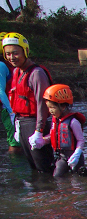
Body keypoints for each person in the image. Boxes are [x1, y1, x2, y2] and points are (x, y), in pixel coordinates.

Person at [2, 33, 54, 173]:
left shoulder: (36, 73)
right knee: (33, 168)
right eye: (7, 54)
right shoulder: (17, 71)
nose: (11, 57)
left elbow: (42, 104)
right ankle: (38, 194)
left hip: (35, 124)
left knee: (44, 168)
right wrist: (17, 126)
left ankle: (55, 193)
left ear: (25, 51)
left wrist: (39, 131)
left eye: (15, 53)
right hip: (22, 123)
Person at [36, 84, 86, 177]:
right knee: (57, 177)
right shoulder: (56, 121)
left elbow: (81, 140)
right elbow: (53, 135)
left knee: (79, 179)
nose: (50, 111)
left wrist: (77, 154)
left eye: (52, 107)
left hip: (74, 157)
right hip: (61, 157)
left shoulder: (73, 122)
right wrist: (43, 141)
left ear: (62, 107)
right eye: (48, 107)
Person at [0, 33, 22, 153]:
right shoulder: (1, 65)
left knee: (20, 141)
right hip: (9, 109)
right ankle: (17, 169)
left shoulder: (10, 64)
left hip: (15, 107)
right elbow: (0, 91)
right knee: (15, 143)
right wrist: (11, 112)